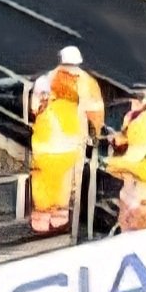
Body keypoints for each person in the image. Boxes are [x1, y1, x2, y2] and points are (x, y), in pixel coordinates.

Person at [28, 72, 90, 235]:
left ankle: (47, 215)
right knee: (57, 184)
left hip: (53, 152)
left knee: (49, 190)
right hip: (61, 153)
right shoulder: (69, 105)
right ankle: (55, 214)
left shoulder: (49, 97)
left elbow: (35, 109)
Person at [105, 83, 146, 232]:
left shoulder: (133, 183)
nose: (120, 216)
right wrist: (107, 162)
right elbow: (132, 162)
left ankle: (138, 103)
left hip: (139, 131)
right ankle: (144, 101)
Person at [28, 45, 105, 141]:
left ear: (61, 60)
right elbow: (97, 114)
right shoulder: (90, 83)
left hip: (50, 136)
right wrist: (94, 135)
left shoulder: (48, 79)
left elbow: (35, 109)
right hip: (78, 139)